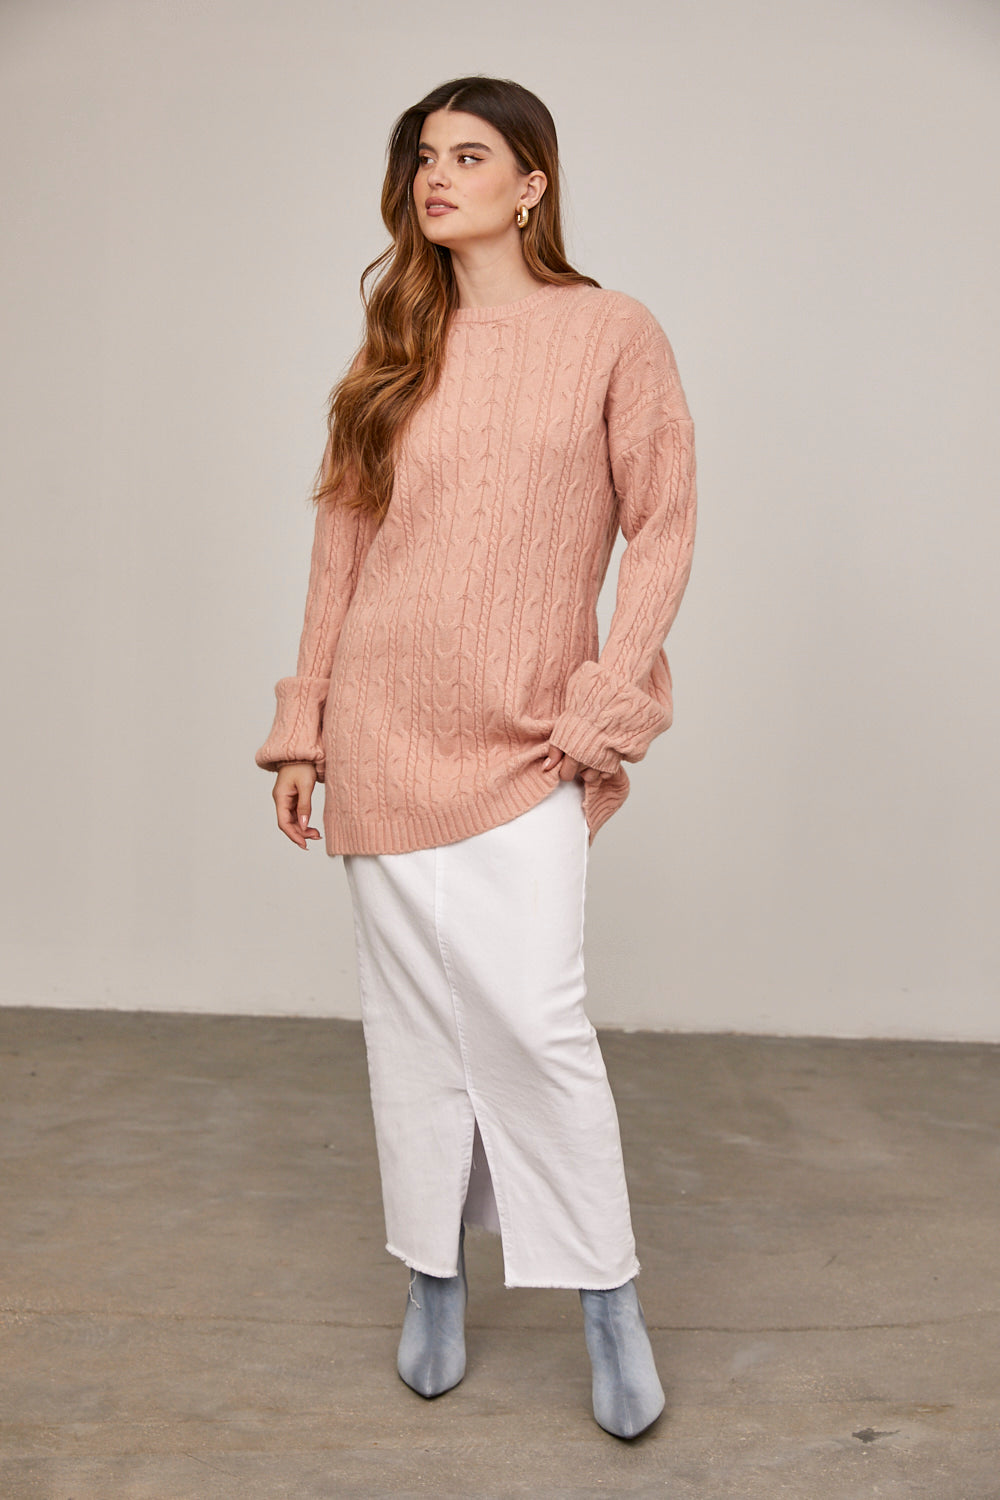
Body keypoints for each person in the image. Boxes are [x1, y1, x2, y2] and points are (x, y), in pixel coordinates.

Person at [255, 74, 697, 1441]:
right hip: (383, 726)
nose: (437, 177)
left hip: (526, 736)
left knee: (536, 1024)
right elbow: (342, 544)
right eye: (423, 158)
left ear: (531, 183)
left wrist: (606, 701)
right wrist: (305, 722)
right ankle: (434, 1275)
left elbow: (663, 525)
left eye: (469, 154)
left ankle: (607, 1298)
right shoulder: (397, 342)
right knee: (416, 1031)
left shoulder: (611, 331)